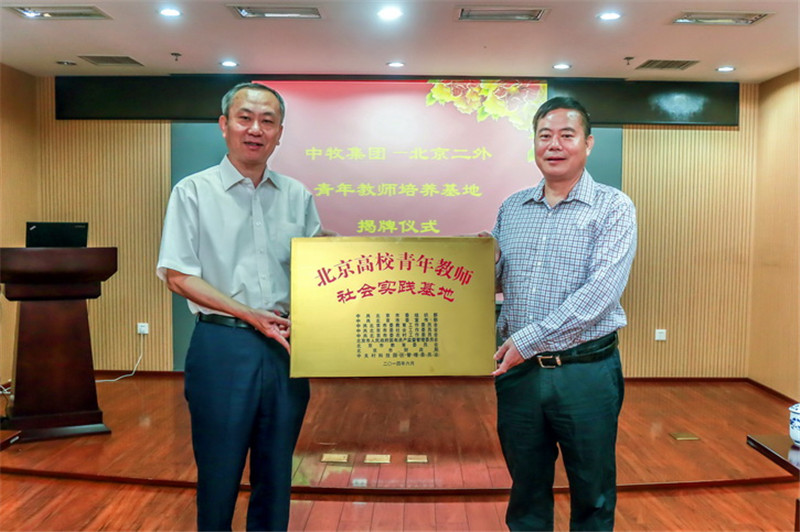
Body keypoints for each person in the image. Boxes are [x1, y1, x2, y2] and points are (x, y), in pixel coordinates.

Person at [157, 82, 323, 531]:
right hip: (221, 345)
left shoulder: (298, 196)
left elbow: (318, 273)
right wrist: (249, 314)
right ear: (224, 125)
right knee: (219, 470)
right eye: (245, 118)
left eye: (268, 121)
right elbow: (178, 275)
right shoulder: (193, 191)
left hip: (285, 347)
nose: (256, 129)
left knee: (276, 472)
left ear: (280, 133)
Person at [490, 96, 637, 531]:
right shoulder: (512, 207)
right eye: (544, 135)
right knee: (526, 489)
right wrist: (476, 260)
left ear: (588, 143)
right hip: (519, 375)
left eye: (566, 135)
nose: (554, 145)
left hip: (585, 373)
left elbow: (600, 295)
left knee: (592, 490)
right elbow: (494, 280)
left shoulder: (613, 207)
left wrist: (528, 340)